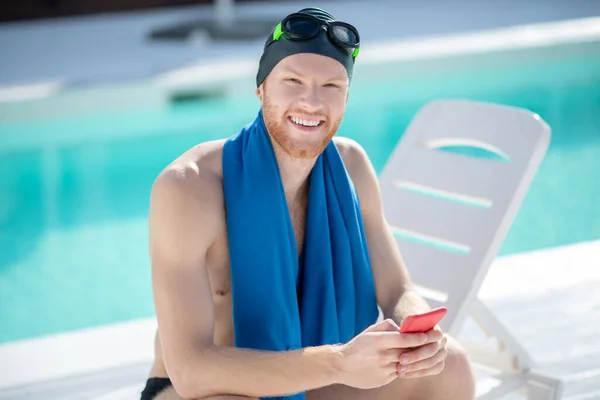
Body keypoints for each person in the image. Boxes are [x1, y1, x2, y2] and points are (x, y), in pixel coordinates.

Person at [143, 7, 476, 400]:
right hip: (212, 390)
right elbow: (192, 372)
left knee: (451, 365)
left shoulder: (352, 166)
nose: (311, 102)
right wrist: (341, 361)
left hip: (314, 376)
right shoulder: (189, 188)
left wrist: (418, 331)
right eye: (293, 81)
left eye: (331, 86)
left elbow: (396, 288)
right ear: (261, 88)